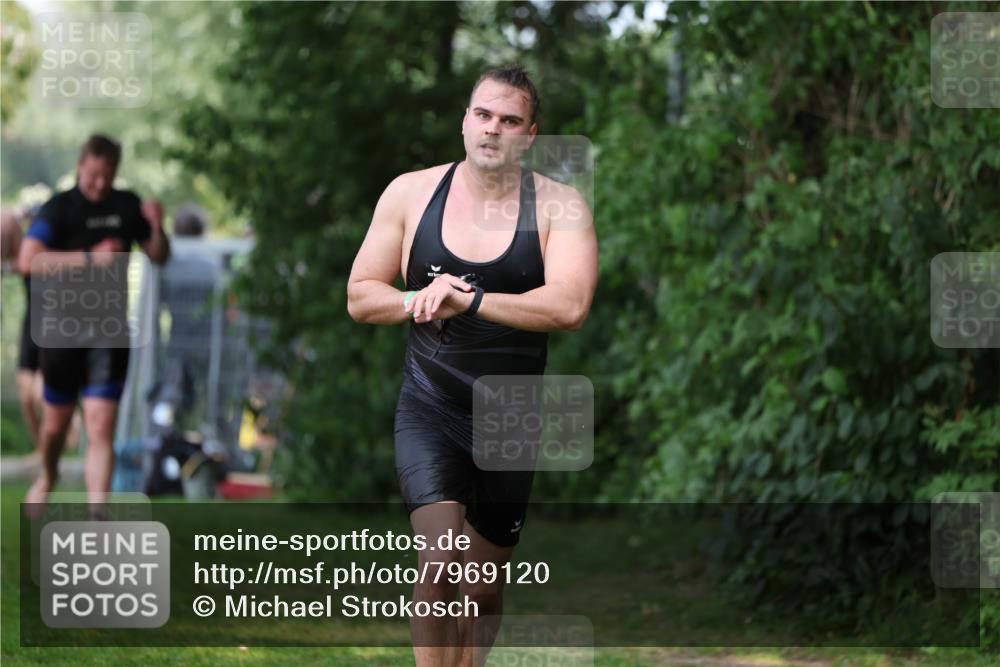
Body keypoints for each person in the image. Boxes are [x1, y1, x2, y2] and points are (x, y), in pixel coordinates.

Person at [347, 65, 598, 667]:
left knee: (481, 585)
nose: (493, 129)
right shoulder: (410, 193)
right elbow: (360, 295)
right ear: (465, 121)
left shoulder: (561, 206)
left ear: (530, 135)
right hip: (429, 404)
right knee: (438, 558)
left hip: (511, 416)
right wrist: (418, 299)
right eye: (482, 115)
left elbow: (571, 306)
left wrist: (474, 299)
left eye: (509, 120)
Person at [18, 133, 171, 516]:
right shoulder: (58, 209)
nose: (100, 184)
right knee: (56, 427)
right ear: (80, 167)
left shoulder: (126, 205)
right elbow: (28, 260)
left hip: (109, 332)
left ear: (116, 172)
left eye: (108, 176)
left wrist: (156, 227)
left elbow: (158, 255)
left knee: (101, 424)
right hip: (61, 331)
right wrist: (90, 257)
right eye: (93, 176)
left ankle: (97, 515)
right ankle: (48, 477)